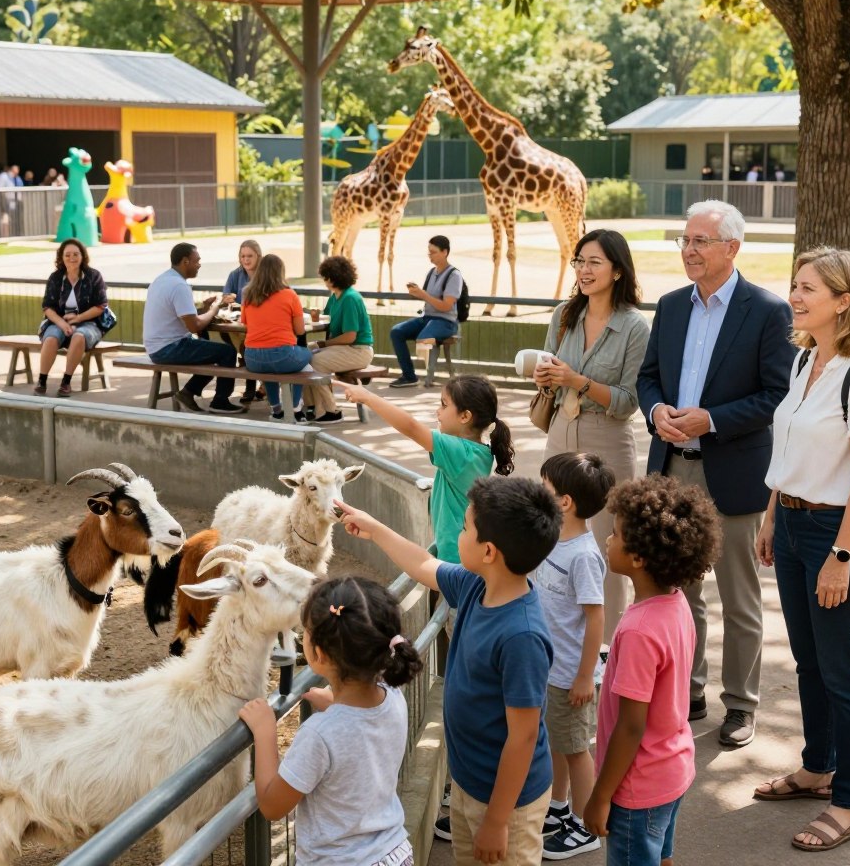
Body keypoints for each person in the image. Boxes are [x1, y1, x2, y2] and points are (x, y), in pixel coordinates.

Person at [753, 248, 850, 852]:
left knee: (845, 671)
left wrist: (840, 558)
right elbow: (788, 452)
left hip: (840, 534)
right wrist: (770, 519)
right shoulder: (805, 359)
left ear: (845, 300)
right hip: (790, 526)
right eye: (794, 285)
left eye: (808, 287)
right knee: (809, 660)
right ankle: (818, 769)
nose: (795, 295)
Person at [636, 199, 795, 748]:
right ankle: (690, 690)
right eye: (685, 239)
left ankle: (741, 705)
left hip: (733, 475)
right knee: (681, 592)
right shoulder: (671, 305)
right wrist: (656, 411)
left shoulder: (769, 311)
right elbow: (649, 378)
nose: (689, 249)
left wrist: (713, 420)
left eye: (700, 240)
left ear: (732, 247)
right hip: (672, 469)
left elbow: (778, 396)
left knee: (739, 597)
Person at [339, 475, 561, 866]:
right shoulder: (479, 586)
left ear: (489, 551)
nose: (458, 534)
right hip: (469, 781)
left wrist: (496, 821)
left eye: (464, 527)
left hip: (507, 804)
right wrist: (374, 530)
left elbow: (524, 737)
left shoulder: (521, 636)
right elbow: (424, 563)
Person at [583, 476, 722, 866]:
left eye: (614, 534)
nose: (608, 540)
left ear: (639, 557)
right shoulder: (677, 604)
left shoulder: (638, 630)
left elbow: (631, 726)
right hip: (672, 770)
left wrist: (600, 796)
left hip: (636, 788)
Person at [239, 576, 422, 866]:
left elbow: (273, 805)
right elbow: (359, 730)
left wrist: (265, 733)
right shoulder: (393, 694)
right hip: (394, 854)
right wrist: (338, 703)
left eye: (306, 633)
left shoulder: (320, 735)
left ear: (319, 654)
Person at [534, 228, 649, 644]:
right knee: (551, 532)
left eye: (594, 262)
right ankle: (554, 638)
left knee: (606, 546)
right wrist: (546, 379)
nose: (584, 270)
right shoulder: (563, 314)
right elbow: (550, 378)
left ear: (617, 270)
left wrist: (577, 380)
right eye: (579, 261)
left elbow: (628, 400)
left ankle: (605, 650)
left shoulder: (635, 327)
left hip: (609, 440)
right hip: (560, 431)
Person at [335, 375, 513, 562]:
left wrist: (367, 397)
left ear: (465, 416)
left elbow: (411, 427)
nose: (438, 411)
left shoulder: (460, 453)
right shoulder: (478, 450)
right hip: (464, 553)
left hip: (455, 558)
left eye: (444, 405)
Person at [535, 452, 614, 861]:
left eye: (544, 486)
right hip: (552, 668)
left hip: (570, 674)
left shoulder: (582, 554)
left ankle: (587, 826)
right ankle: (557, 807)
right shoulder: (554, 539)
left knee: (576, 749)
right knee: (558, 742)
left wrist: (585, 676)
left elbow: (596, 617)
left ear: (564, 501)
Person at [143, 242, 246, 415]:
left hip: (156, 347)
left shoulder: (162, 280)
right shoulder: (179, 286)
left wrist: (205, 309)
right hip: (169, 348)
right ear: (185, 261)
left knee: (211, 350)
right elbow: (194, 326)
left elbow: (186, 317)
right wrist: (215, 307)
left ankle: (188, 393)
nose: (199, 264)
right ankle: (220, 401)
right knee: (227, 352)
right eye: (196, 261)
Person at [301, 255, 375, 425]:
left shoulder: (350, 298)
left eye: (325, 277)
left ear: (332, 278)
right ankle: (313, 406)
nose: (324, 281)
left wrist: (323, 344)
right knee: (303, 355)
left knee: (316, 361)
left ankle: (330, 410)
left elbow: (351, 336)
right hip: (347, 348)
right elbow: (326, 318)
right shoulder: (336, 296)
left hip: (358, 350)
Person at [241, 253, 312, 422]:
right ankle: (295, 407)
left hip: (252, 358)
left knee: (269, 370)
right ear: (281, 272)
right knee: (308, 357)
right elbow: (300, 330)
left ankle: (276, 410)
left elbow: (245, 324)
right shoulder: (290, 295)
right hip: (283, 355)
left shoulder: (248, 294)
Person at [35, 239, 108, 398]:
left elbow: (100, 306)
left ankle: (66, 382)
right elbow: (47, 307)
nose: (72, 258)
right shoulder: (55, 277)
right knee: (51, 338)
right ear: (61, 257)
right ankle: (42, 380)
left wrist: (78, 318)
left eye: (76, 254)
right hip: (59, 321)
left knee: (79, 336)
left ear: (83, 256)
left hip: (88, 322)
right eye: (67, 255)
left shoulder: (93, 276)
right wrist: (62, 323)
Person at [389, 235, 462, 388]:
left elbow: (446, 306)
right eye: (429, 252)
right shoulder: (431, 272)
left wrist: (423, 294)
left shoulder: (454, 275)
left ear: (445, 252)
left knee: (424, 338)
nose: (430, 255)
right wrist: (417, 292)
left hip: (445, 321)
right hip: (427, 317)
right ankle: (409, 376)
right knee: (396, 332)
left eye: (433, 252)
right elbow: (428, 297)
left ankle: (430, 374)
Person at [219, 239, 264, 405]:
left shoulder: (266, 275)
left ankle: (254, 386)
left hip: (260, 323)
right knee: (242, 344)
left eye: (250, 256)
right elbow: (225, 298)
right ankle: (256, 386)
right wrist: (228, 299)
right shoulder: (235, 275)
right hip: (239, 323)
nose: (246, 260)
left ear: (258, 256)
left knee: (247, 346)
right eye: (243, 256)